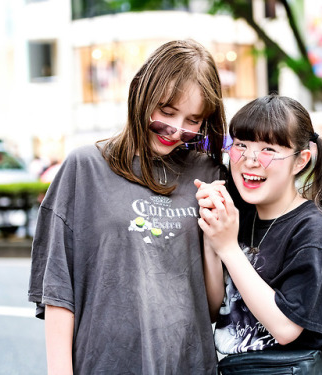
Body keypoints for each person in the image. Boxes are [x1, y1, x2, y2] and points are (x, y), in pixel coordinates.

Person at [28, 39, 227, 375]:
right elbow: (58, 293)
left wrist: (217, 238)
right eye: (166, 111)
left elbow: (208, 308)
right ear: (140, 91)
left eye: (193, 119)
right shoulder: (84, 168)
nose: (175, 129)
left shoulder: (207, 175)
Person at [195, 94, 322, 374]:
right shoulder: (242, 216)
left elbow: (286, 328)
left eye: (268, 149)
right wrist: (211, 233)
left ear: (300, 161)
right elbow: (215, 308)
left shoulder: (315, 230)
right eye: (241, 145)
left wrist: (227, 248)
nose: (250, 160)